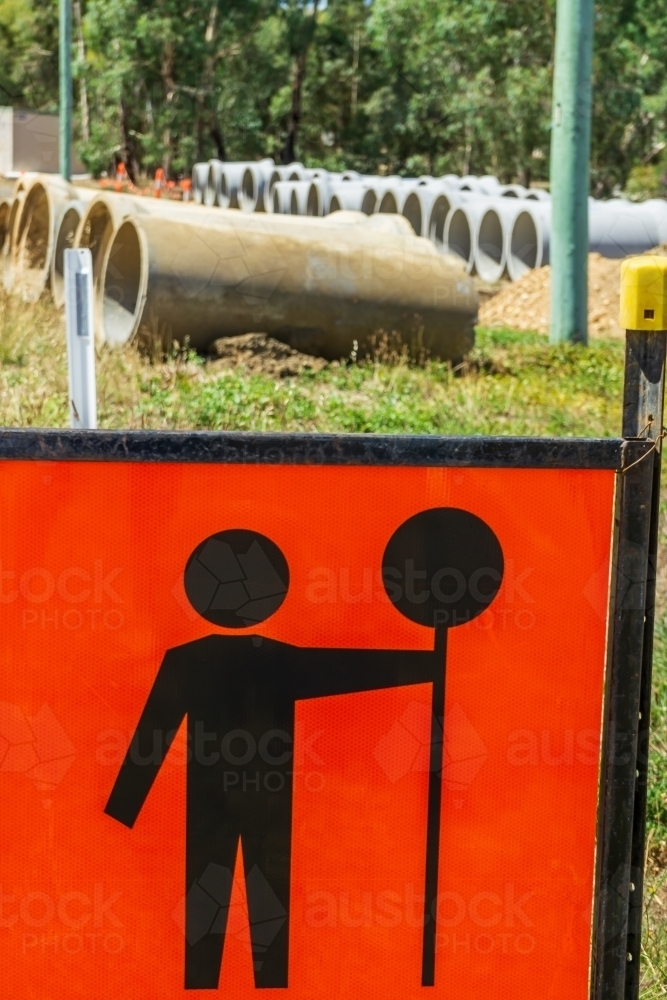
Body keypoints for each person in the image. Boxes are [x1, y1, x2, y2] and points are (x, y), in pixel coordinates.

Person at [105, 512, 503, 991]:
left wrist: (124, 806)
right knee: (261, 896)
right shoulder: (276, 659)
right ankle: (264, 984)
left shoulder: (193, 659)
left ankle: (206, 984)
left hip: (216, 798)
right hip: (262, 797)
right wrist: (426, 663)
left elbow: (153, 735)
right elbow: (342, 669)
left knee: (212, 894)